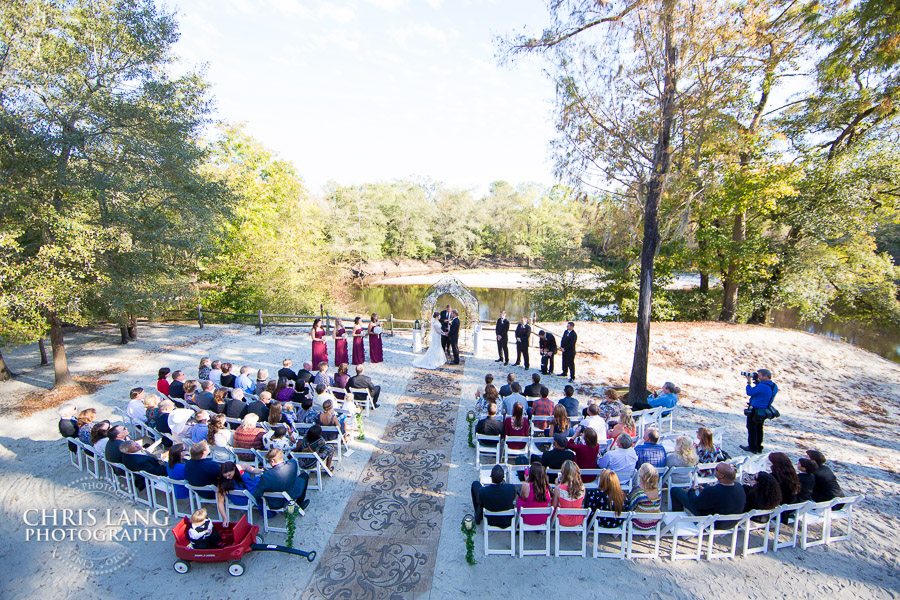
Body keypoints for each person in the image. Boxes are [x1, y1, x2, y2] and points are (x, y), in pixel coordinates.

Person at [670, 463, 746, 523]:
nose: (714, 470)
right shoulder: (739, 486)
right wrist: (705, 490)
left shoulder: (714, 491)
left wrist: (691, 490)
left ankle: (678, 519)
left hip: (713, 521)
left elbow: (695, 504)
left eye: (716, 469)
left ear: (721, 475)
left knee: (675, 491)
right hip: (732, 522)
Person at [741, 368, 778, 454]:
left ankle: (752, 447)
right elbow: (762, 392)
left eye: (759, 375)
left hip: (756, 410)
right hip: (764, 410)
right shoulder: (774, 386)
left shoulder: (761, 386)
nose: (758, 376)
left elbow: (749, 392)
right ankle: (758, 447)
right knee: (759, 428)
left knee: (752, 428)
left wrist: (748, 382)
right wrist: (757, 382)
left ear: (765, 376)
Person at [215, 461, 261, 526]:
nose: (227, 478)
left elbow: (254, 470)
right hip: (241, 498)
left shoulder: (240, 467)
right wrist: (225, 518)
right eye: (225, 476)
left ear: (234, 469)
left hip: (247, 490)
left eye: (229, 475)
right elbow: (220, 502)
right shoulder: (222, 483)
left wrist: (261, 471)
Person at [627, 463, 661, 530]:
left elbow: (630, 506)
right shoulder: (658, 490)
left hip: (640, 523)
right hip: (654, 522)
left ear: (641, 476)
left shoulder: (638, 491)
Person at [553, 460, 586, 526]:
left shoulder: (559, 489)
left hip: (563, 520)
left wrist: (557, 486)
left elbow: (553, 505)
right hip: (578, 519)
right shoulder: (582, 487)